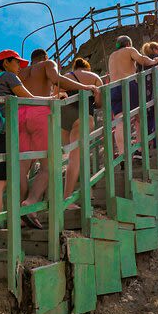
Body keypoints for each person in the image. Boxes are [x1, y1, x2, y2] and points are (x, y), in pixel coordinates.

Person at [0, 50, 51, 248]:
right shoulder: (9, 77)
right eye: (16, 63)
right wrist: (52, 99)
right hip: (2, 136)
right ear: (5, 63)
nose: (19, 67)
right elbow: (28, 98)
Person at [17, 49, 97, 228]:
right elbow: (57, 79)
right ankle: (30, 204)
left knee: (23, 168)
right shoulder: (47, 64)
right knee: (49, 166)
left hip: (20, 115)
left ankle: (19, 215)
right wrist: (85, 87)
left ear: (31, 59)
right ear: (45, 58)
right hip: (39, 115)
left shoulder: (21, 72)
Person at [108, 36, 158, 158]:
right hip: (128, 84)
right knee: (140, 117)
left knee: (120, 121)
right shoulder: (129, 50)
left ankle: (123, 154)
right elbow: (142, 59)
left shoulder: (112, 56)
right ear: (128, 43)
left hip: (113, 88)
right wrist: (154, 61)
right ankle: (140, 150)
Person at [60, 58, 103, 205]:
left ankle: (84, 191)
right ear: (87, 68)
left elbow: (57, 95)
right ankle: (67, 199)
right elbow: (99, 103)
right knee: (76, 157)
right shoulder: (94, 77)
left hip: (64, 117)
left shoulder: (65, 77)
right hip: (83, 116)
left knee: (69, 156)